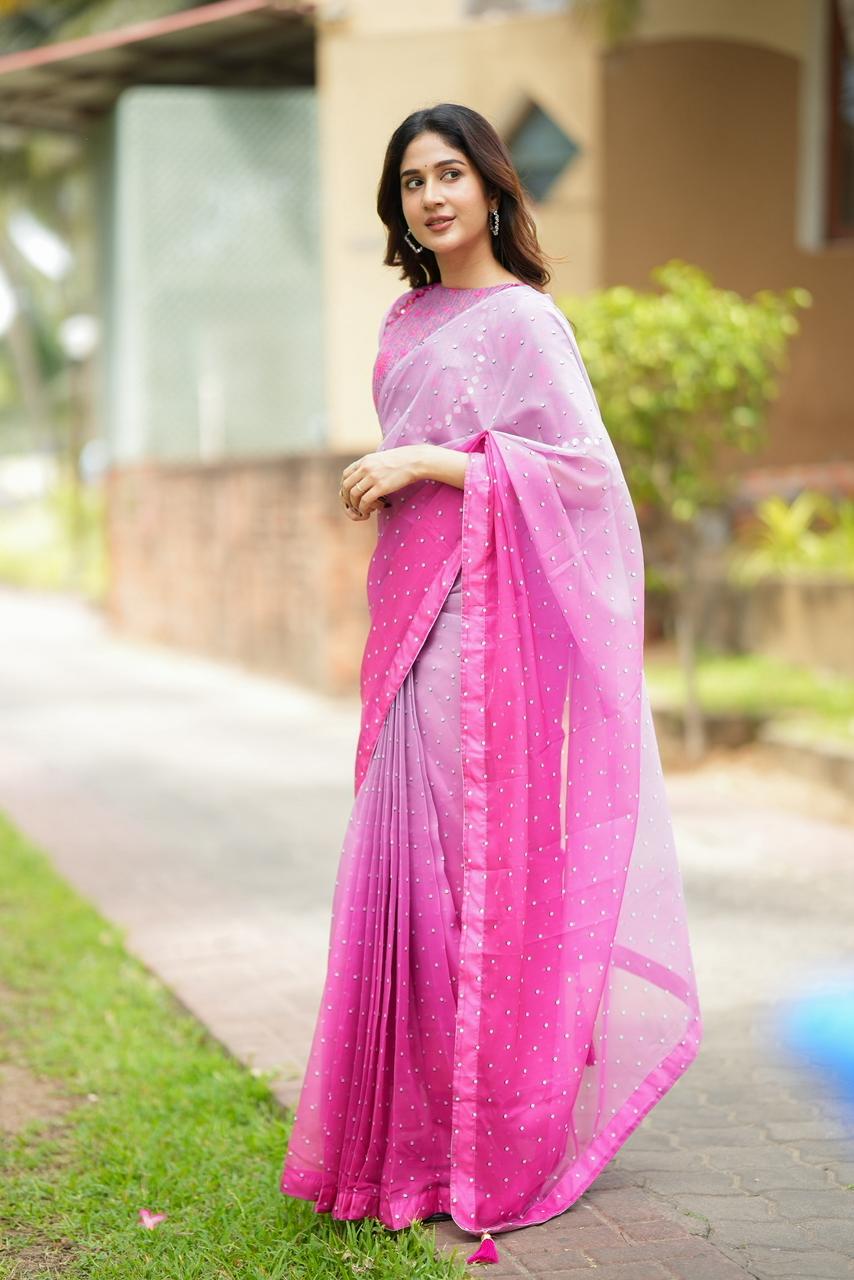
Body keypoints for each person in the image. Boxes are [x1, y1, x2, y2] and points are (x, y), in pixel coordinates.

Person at [280, 102, 703, 1266]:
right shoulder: (404, 318)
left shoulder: (525, 321)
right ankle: (399, 1140)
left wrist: (428, 460)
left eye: (448, 173)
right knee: (400, 872)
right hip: (404, 620)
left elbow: (581, 476)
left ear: (491, 187)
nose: (429, 196)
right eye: (411, 181)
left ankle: (472, 1139)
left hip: (477, 635)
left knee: (461, 878)